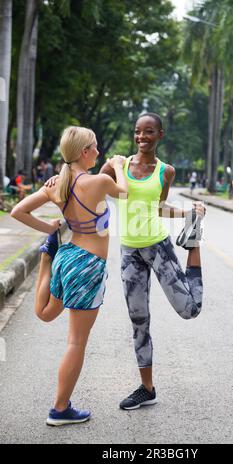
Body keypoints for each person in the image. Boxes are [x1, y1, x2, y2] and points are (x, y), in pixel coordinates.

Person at [11, 126, 128, 426]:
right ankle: (60, 409)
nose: (100, 152)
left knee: (46, 313)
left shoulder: (56, 185)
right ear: (84, 152)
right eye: (96, 147)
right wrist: (118, 166)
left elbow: (18, 212)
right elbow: (124, 192)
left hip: (68, 257)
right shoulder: (101, 181)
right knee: (76, 343)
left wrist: (50, 230)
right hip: (88, 266)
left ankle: (45, 259)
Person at [100, 112, 206, 410]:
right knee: (139, 320)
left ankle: (194, 245)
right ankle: (147, 388)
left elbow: (158, 207)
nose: (141, 137)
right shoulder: (118, 166)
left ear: (160, 134)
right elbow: (90, 185)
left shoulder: (165, 171)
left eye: (148, 132)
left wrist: (188, 214)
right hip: (129, 252)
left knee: (189, 310)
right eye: (137, 132)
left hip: (159, 247)